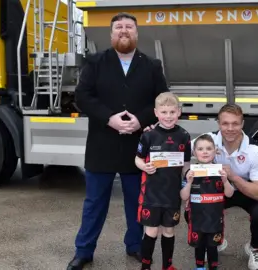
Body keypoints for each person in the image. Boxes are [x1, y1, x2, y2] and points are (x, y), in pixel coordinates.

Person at [67, 12, 169, 270]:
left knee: (137, 201)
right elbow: (83, 97)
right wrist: (109, 118)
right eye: (119, 28)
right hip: (102, 144)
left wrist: (141, 119)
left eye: (129, 27)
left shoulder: (152, 65)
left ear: (136, 33)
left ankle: (134, 245)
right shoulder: (95, 62)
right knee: (94, 203)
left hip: (137, 146)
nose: (124, 31)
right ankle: (84, 251)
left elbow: (162, 100)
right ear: (111, 34)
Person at [144, 103, 258, 270]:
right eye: (225, 123)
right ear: (218, 123)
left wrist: (233, 177)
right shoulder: (208, 139)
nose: (230, 128)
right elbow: (178, 148)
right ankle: (212, 239)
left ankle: (254, 248)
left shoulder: (255, 150)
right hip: (217, 192)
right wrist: (157, 133)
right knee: (192, 210)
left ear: (242, 124)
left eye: (235, 123)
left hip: (242, 189)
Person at [135, 92, 192, 270]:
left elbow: (186, 163)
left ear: (179, 112)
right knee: (151, 231)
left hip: (172, 195)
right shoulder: (149, 135)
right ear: (156, 113)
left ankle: (167, 266)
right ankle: (145, 266)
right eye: (164, 112)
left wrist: (188, 178)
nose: (168, 116)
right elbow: (137, 159)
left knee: (169, 231)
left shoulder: (184, 135)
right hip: (152, 194)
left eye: (172, 112)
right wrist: (144, 167)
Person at [181, 134, 235, 270]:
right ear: (194, 152)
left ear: (215, 151)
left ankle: (213, 267)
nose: (204, 152)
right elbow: (183, 196)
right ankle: (199, 267)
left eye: (208, 148)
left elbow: (229, 194)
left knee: (212, 247)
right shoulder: (190, 173)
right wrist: (188, 183)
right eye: (200, 149)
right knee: (198, 246)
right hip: (196, 219)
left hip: (215, 219)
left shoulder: (220, 171)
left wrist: (226, 181)